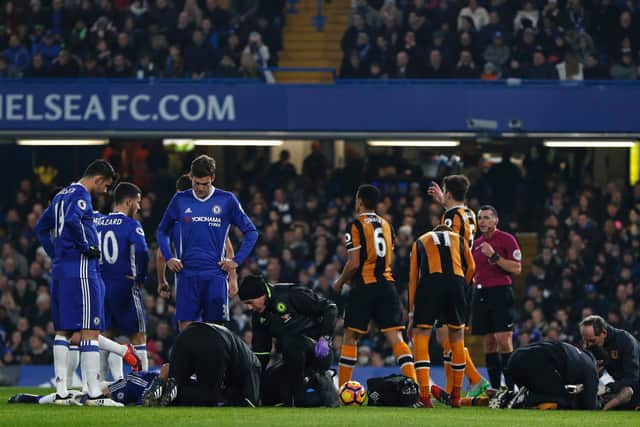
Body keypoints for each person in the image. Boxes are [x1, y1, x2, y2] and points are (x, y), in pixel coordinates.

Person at [34, 159, 136, 406]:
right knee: (90, 329)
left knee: (63, 331)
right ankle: (95, 395)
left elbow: (41, 227)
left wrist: (55, 252)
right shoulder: (81, 195)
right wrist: (87, 247)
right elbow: (72, 221)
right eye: (106, 186)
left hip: (60, 270)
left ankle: (61, 391)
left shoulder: (61, 195)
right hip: (82, 270)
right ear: (98, 179)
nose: (105, 191)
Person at [156, 155, 258, 330]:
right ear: (191, 178)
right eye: (196, 183)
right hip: (186, 275)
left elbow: (251, 231)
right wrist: (169, 257)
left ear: (213, 178)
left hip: (215, 275)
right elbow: (162, 231)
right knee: (187, 333)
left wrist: (235, 262)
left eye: (205, 184)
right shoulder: (180, 200)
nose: (200, 188)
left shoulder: (227, 200)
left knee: (216, 332)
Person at [333, 184, 417, 388]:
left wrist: (340, 282)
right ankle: (414, 386)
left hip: (364, 286)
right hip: (387, 285)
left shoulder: (355, 224)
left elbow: (353, 264)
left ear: (360, 201)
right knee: (396, 338)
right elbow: (391, 254)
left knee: (351, 336)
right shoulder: (387, 225)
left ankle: (344, 390)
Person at [428, 175, 489, 397]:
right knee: (447, 337)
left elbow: (451, 247)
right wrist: (444, 200)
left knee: (449, 337)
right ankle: (461, 385)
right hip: (466, 279)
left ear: (450, 193)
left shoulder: (451, 217)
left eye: (445, 191)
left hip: (455, 279)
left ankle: (470, 382)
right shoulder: (470, 214)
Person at [240, 274, 337, 406]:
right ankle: (310, 385)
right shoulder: (259, 316)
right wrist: (255, 382)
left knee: (291, 340)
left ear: (262, 294)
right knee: (264, 388)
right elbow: (261, 352)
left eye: (250, 302)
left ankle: (303, 393)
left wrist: (325, 338)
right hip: (292, 361)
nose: (249, 308)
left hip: (318, 353)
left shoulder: (291, 294)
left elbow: (330, 307)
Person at [408, 225, 476, 408]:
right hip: (456, 281)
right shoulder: (459, 240)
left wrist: (411, 313)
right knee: (457, 336)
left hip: (430, 283)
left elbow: (413, 278)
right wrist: (463, 286)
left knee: (421, 334)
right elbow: (472, 267)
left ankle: (424, 396)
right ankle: (456, 395)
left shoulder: (421, 240)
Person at [95, 182, 150, 379]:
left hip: (101, 287)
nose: (139, 207)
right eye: (138, 202)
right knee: (138, 336)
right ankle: (144, 384)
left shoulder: (97, 222)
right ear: (128, 201)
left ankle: (99, 384)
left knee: (106, 336)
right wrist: (141, 277)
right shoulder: (131, 225)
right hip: (125, 286)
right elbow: (143, 251)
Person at [156, 174, 238, 300]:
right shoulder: (209, 216)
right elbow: (228, 249)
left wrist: (162, 281)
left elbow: (161, 254)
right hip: (214, 279)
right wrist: (233, 279)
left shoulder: (174, 219)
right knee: (212, 319)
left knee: (188, 319)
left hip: (187, 281)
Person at [143, 322, 261, 407]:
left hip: (186, 335)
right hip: (213, 341)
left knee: (175, 383)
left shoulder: (242, 357)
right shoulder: (255, 365)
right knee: (208, 398)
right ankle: (175, 391)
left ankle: (162, 385)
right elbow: (251, 402)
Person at [471, 205, 522, 390]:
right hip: (481, 293)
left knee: (504, 339)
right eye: (480, 218)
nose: (482, 221)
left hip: (501, 291)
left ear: (495, 220)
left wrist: (494, 256)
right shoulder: (475, 244)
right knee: (489, 342)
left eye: (486, 217)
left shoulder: (507, 239)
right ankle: (494, 388)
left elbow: (517, 268)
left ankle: (510, 388)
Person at [502, 341, 601, 410]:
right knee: (563, 399)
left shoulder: (576, 352)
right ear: (600, 363)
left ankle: (509, 396)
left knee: (549, 388)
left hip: (515, 357)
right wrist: (601, 403)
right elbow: (590, 405)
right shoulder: (590, 366)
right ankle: (524, 398)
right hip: (534, 363)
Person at [580, 315, 640, 410]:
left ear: (604, 333)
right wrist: (595, 373)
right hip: (619, 388)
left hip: (634, 390)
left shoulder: (626, 342)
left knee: (627, 391)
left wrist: (607, 388)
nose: (588, 345)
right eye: (585, 340)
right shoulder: (595, 345)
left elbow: (633, 379)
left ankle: (603, 410)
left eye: (592, 340)